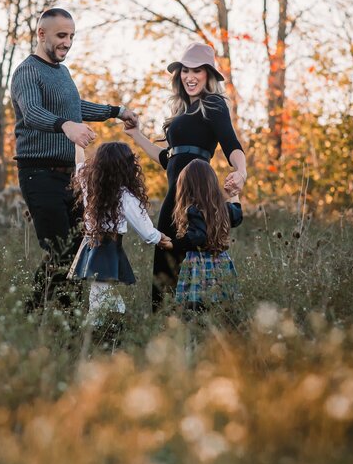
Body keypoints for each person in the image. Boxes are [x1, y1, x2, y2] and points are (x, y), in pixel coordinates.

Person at [11, 8, 138, 310]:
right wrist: (65, 125)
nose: (67, 42)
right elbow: (32, 113)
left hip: (71, 176)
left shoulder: (62, 73)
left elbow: (74, 106)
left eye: (71, 36)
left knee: (80, 247)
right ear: (41, 35)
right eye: (61, 36)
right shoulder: (27, 72)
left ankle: (62, 314)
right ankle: (40, 313)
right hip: (39, 174)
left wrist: (117, 112)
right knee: (60, 249)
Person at [125, 42, 247, 311]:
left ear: (209, 75)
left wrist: (241, 171)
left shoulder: (213, 104)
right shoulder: (183, 111)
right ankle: (166, 325)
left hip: (193, 196)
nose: (190, 76)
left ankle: (190, 320)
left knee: (184, 255)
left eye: (197, 71)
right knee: (165, 262)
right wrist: (136, 136)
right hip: (174, 195)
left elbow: (231, 144)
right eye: (185, 70)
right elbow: (168, 159)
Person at [69, 142, 173, 326]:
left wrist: (78, 143)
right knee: (100, 302)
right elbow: (146, 231)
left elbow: (79, 165)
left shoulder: (89, 184)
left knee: (107, 299)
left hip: (93, 245)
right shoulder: (124, 194)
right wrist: (162, 239)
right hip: (106, 249)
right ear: (126, 167)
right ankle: (91, 339)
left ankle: (112, 332)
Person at [172, 159, 243, 309]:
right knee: (223, 303)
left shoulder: (193, 210)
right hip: (222, 261)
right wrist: (233, 194)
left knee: (197, 304)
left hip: (199, 263)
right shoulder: (223, 208)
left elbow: (198, 237)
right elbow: (237, 216)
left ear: (187, 187)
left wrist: (174, 244)